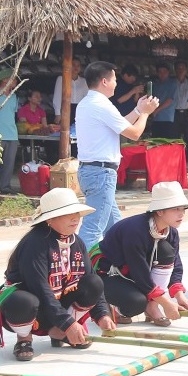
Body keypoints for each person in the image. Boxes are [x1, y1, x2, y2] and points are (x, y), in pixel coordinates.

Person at [0, 188, 114, 361]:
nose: (75, 218)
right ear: (50, 219)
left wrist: (102, 314)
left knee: (94, 282)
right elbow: (40, 289)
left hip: (58, 302)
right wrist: (68, 323)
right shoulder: (34, 244)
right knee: (24, 301)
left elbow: (89, 275)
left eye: (76, 212)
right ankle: (24, 338)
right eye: (68, 214)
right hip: (32, 307)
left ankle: (59, 331)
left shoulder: (77, 242)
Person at [75, 61, 160, 248]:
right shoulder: (101, 105)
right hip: (101, 173)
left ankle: (118, 262)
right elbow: (134, 133)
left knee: (116, 227)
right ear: (104, 81)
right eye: (114, 79)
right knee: (93, 228)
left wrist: (138, 109)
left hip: (92, 171)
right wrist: (145, 114)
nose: (116, 83)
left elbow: (120, 125)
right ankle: (81, 271)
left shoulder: (88, 103)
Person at [91, 182, 188, 326]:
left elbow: (176, 263)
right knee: (136, 303)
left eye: (183, 209)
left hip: (131, 274)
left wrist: (178, 294)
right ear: (159, 211)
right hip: (108, 274)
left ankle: (152, 306)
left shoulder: (171, 232)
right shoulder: (135, 231)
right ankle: (111, 305)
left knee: (166, 250)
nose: (181, 214)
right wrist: (166, 303)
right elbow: (140, 272)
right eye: (176, 209)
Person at [52, 56, 89, 125]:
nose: (76, 67)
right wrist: (57, 113)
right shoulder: (61, 79)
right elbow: (57, 96)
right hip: (66, 108)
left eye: (78, 66)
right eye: (73, 65)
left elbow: (87, 97)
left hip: (79, 109)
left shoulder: (83, 81)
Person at [0, 70, 19, 195]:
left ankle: (5, 186)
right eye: (13, 78)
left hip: (12, 135)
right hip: (0, 134)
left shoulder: (14, 97)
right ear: (5, 80)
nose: (16, 81)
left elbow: (14, 115)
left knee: (9, 164)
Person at [149, 63, 178, 139]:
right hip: (156, 118)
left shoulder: (172, 83)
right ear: (157, 73)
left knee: (166, 143)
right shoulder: (155, 84)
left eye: (164, 72)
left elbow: (169, 100)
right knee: (155, 142)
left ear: (168, 72)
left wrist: (156, 111)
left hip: (167, 118)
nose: (162, 74)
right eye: (160, 72)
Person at [173, 61, 188, 143]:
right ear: (175, 70)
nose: (180, 70)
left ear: (186, 70)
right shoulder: (171, 83)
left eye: (183, 68)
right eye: (178, 68)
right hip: (175, 113)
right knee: (175, 138)